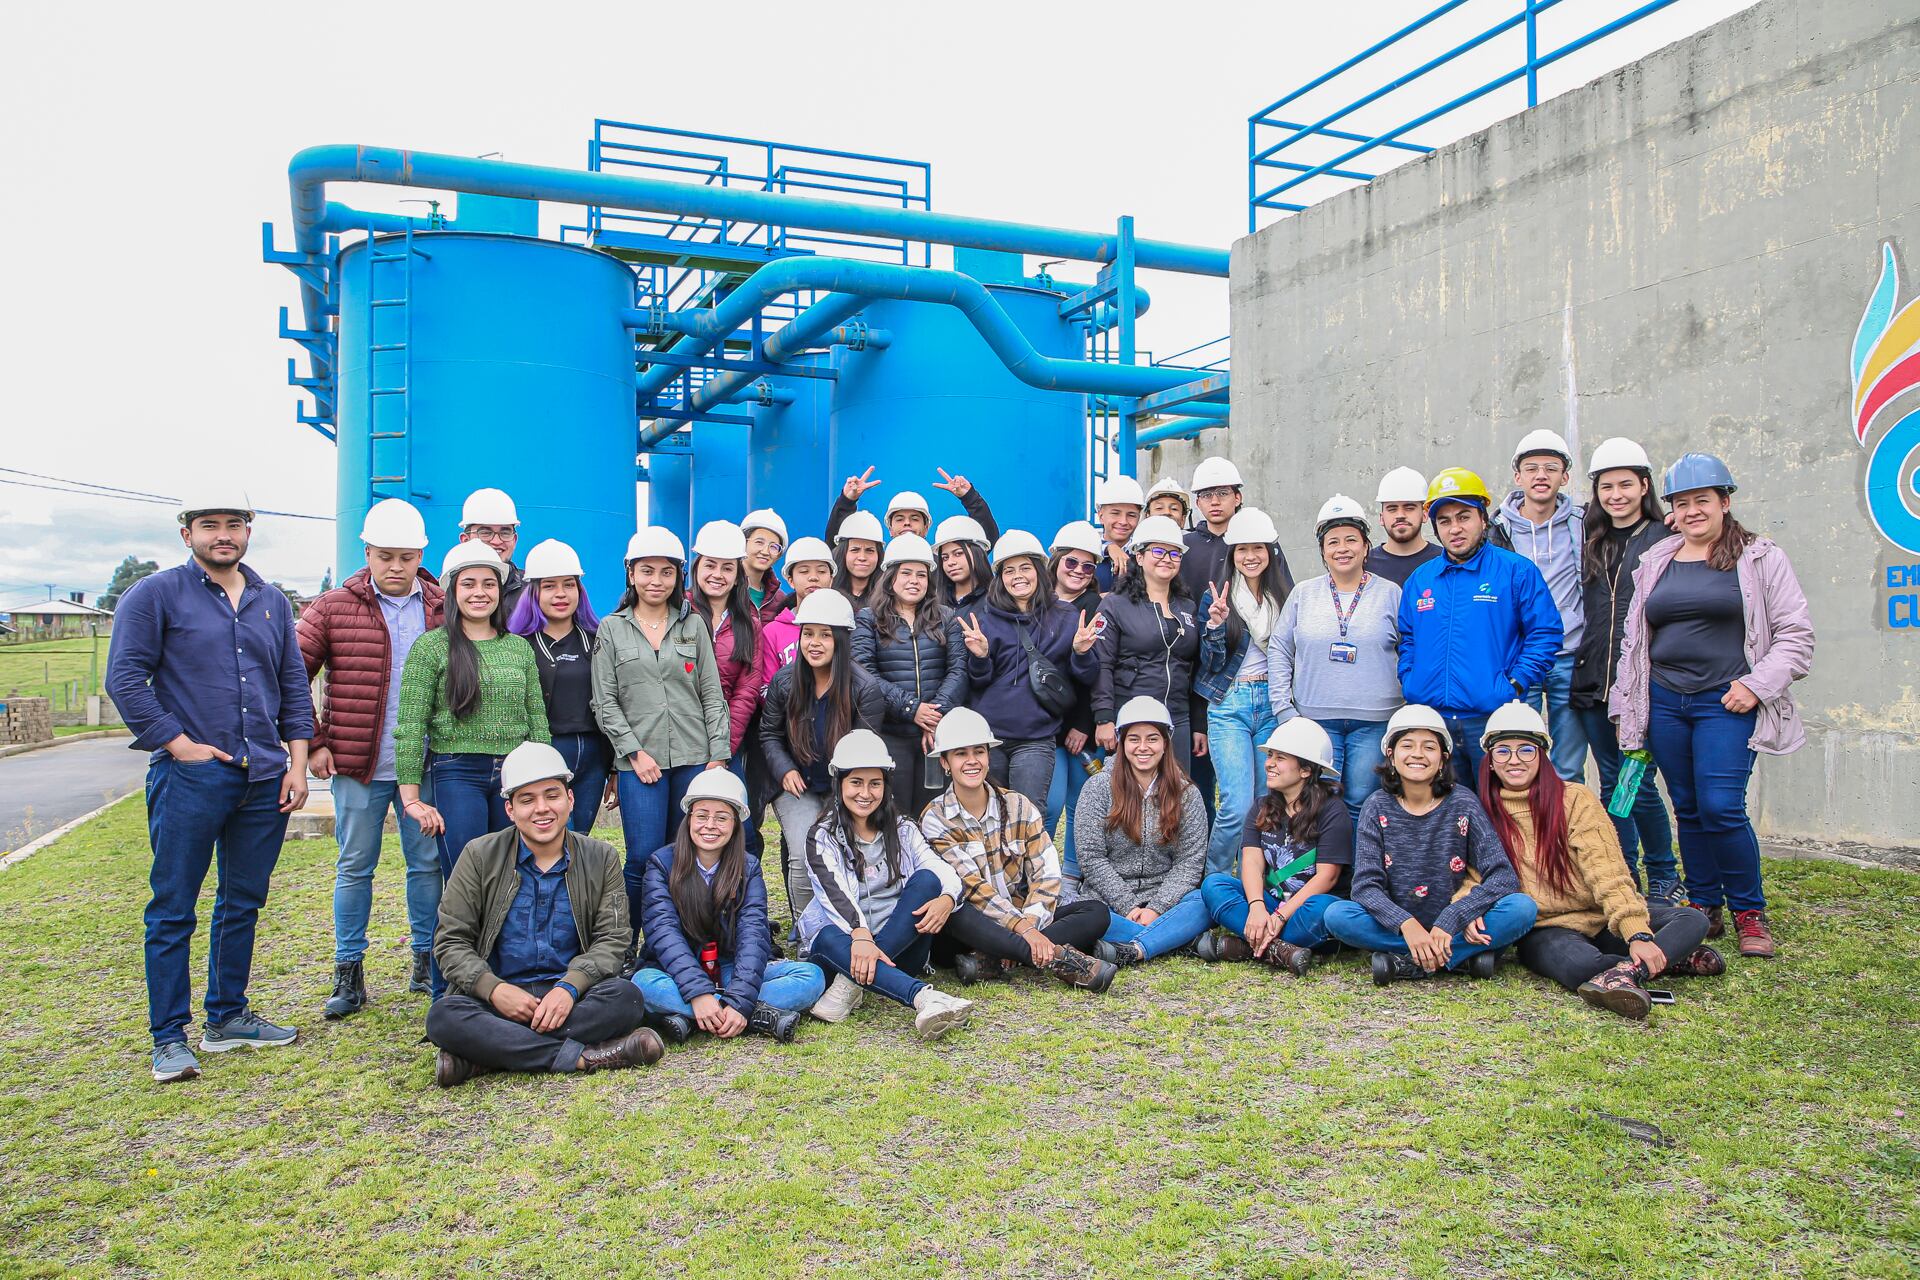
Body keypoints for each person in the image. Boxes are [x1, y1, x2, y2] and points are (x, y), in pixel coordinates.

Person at [106, 491, 315, 1083]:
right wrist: (179, 744)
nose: (223, 534)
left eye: (233, 524)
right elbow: (125, 677)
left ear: (248, 531)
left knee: (242, 901)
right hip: (191, 776)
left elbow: (293, 687)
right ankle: (169, 1038)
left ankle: (226, 1017)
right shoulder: (155, 595)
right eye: (209, 525)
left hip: (264, 777)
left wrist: (297, 764)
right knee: (174, 907)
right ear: (187, 533)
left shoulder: (271, 602)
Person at [1611, 453, 1815, 959]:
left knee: (1721, 806)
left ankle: (1749, 911)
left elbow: (1795, 635)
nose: (1692, 511)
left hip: (1726, 702)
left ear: (1725, 502)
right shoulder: (1656, 561)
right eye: (1681, 503)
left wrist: (1757, 686)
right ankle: (1704, 905)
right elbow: (1634, 640)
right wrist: (1629, 702)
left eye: (1702, 500)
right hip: (1664, 701)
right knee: (1688, 806)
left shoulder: (1760, 558)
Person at [425, 743, 662, 1087]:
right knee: (443, 1017)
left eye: (552, 795)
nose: (542, 808)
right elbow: (450, 942)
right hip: (500, 995)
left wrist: (569, 988)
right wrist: (494, 990)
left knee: (627, 998)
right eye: (527, 800)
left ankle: (486, 1056)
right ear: (510, 809)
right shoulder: (479, 855)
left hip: (574, 995)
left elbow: (612, 940)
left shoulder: (601, 856)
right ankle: (583, 1058)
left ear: (570, 799)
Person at [296, 498, 445, 1020]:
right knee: (355, 865)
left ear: (421, 554)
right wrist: (315, 740)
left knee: (426, 865)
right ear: (367, 553)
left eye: (406, 557)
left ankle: (426, 961)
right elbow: (290, 673)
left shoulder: (441, 607)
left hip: (425, 765)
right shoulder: (333, 607)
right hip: (358, 763)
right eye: (385, 556)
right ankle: (348, 970)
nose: (396, 567)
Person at [1476, 703, 1720, 1019]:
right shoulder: (1480, 810)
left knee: (1693, 919)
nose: (1514, 760)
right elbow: (1473, 876)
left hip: (1601, 917)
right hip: (1547, 929)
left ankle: (1632, 968)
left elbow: (1607, 870)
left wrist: (1638, 934)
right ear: (1490, 761)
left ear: (1542, 755)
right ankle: (1663, 959)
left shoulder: (1575, 798)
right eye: (1503, 751)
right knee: (1580, 966)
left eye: (1526, 749)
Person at [397, 540, 549, 1001]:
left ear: (500, 591)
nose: (479, 592)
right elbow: (411, 725)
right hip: (457, 773)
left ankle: (509, 982)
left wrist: (546, 784)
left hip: (516, 778)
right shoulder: (431, 648)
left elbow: (537, 718)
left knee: (516, 877)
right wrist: (410, 797)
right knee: (464, 884)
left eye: (488, 584)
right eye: (469, 584)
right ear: (452, 591)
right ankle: (451, 994)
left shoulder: (518, 649)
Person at [1323, 705, 1538, 984]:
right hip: (1397, 925)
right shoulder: (1375, 806)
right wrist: (1407, 924)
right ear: (1391, 755)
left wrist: (1454, 918)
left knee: (1522, 908)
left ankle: (1408, 962)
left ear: (1443, 759)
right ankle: (1459, 958)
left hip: (1455, 923)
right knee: (1337, 915)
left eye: (1429, 747)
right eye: (1407, 745)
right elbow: (1365, 886)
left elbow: (1502, 876)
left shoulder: (1463, 802)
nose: (1417, 754)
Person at [589, 527, 730, 929]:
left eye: (666, 572)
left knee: (684, 854)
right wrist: (634, 753)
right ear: (631, 574)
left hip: (694, 758)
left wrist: (718, 755)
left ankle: (678, 939)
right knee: (643, 856)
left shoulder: (693, 626)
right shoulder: (612, 628)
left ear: (678, 577)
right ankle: (631, 939)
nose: (656, 581)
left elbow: (711, 693)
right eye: (647, 571)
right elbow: (604, 701)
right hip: (640, 764)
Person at [919, 708, 1117, 991]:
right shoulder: (935, 818)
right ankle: (1058, 957)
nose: (972, 761)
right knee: (956, 913)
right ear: (945, 763)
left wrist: (1030, 925)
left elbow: (1046, 870)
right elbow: (972, 888)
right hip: (972, 923)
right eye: (961, 754)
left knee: (1096, 912)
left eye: (979, 752)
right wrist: (1023, 930)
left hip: (1019, 914)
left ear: (989, 757)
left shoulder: (1017, 805)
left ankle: (993, 959)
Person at [798, 731, 977, 1038]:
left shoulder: (903, 829)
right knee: (825, 936)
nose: (865, 793)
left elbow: (943, 870)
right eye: (856, 782)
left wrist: (948, 898)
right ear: (839, 784)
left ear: (886, 786)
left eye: (875, 783)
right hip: (844, 949)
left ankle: (850, 985)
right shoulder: (821, 836)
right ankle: (925, 998)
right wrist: (861, 935)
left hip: (899, 950)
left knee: (928, 880)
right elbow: (834, 894)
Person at [630, 769, 827, 1044]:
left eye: (721, 817)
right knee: (642, 984)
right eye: (702, 816)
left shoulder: (749, 867)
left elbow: (753, 933)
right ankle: (753, 1014)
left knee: (811, 976)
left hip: (730, 967)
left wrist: (740, 999)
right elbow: (663, 933)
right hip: (674, 970)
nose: (710, 825)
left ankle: (694, 1017)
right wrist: (699, 993)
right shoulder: (661, 864)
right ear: (689, 819)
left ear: (735, 823)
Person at [1396, 468, 1561, 785]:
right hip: (1433, 720)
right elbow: (1408, 639)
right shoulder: (1421, 579)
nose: (1455, 528)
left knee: (1497, 805)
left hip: (1492, 717)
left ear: (1483, 519)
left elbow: (1545, 634)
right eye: (1445, 521)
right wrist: (1410, 679)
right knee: (1445, 808)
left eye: (1464, 517)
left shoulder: (1516, 571)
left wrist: (1514, 684)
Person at [1571, 438, 1679, 901]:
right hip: (1592, 681)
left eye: (1625, 485)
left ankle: (1664, 875)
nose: (1616, 495)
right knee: (1612, 781)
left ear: (1644, 486)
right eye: (1606, 487)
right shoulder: (1590, 539)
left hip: (1639, 685)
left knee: (1637, 783)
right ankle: (1624, 874)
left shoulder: (1666, 538)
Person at [758, 588, 891, 924]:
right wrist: (784, 769)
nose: (814, 643)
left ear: (841, 641)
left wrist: (843, 793)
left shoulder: (864, 688)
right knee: (804, 853)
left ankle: (847, 924)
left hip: (843, 786)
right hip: (797, 784)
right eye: (808, 634)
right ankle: (806, 932)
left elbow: (864, 751)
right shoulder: (784, 681)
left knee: (844, 852)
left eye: (825, 635)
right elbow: (769, 734)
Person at [1269, 496, 1404, 819]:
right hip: (1314, 719)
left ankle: (1357, 857)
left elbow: (1411, 650)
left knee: (1360, 803)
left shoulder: (1391, 593)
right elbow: (1280, 648)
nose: (1342, 548)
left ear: (1366, 546)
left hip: (1374, 721)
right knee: (1317, 804)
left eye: (1351, 540)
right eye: (1333, 542)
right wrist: (1284, 709)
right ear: (1322, 550)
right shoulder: (1303, 594)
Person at [955, 530, 1101, 809]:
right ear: (1000, 577)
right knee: (990, 815)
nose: (1017, 576)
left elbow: (1086, 677)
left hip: (1036, 738)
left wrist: (1082, 653)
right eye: (1009, 570)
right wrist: (981, 657)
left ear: (1039, 571)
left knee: (1028, 814)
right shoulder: (984, 618)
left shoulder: (1066, 617)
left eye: (1025, 568)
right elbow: (978, 682)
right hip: (989, 737)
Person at [1197, 718, 1351, 974]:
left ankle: (1249, 945)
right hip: (1271, 902)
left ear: (1305, 770)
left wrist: (1280, 916)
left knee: (1325, 909)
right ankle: (1279, 950)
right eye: (1270, 755)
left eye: (1280, 758)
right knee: (1214, 885)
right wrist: (1257, 906)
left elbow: (1328, 877)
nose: (1269, 763)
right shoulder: (1262, 806)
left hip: (1305, 909)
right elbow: (1251, 861)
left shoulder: (1332, 810)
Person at [1075, 697, 1212, 966]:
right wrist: (1128, 905)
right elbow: (1091, 857)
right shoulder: (1097, 788)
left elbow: (1190, 862)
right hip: (1109, 901)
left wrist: (1157, 909)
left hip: (1167, 900)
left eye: (1152, 739)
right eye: (1134, 739)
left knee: (1203, 903)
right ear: (1122, 742)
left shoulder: (1187, 793)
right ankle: (1178, 939)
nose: (1143, 747)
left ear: (1166, 743)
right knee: (1087, 917)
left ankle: (1133, 947)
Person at [1196, 508, 1293, 874]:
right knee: (1236, 805)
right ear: (1232, 554)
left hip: (1273, 702)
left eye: (1258, 548)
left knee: (1267, 802)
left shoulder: (1285, 596)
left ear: (1270, 552)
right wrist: (1216, 627)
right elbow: (1211, 664)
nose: (1250, 556)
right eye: (1242, 549)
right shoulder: (1217, 597)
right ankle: (1216, 879)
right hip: (1230, 703)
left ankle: (1258, 881)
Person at [1493, 430, 1589, 781]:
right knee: (1518, 758)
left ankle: (1566, 817)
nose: (1541, 476)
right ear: (1518, 477)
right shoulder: (1496, 530)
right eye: (1531, 468)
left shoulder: (1585, 524)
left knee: (1568, 765)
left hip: (1570, 655)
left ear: (1565, 477)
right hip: (1519, 659)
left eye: (1551, 468)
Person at [852, 533, 967, 816]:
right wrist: (911, 708)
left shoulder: (946, 617)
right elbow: (864, 672)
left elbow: (958, 669)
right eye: (906, 573)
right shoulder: (869, 618)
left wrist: (932, 716)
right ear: (891, 577)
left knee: (933, 814)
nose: (914, 580)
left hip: (935, 735)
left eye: (921, 574)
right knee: (895, 813)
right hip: (891, 732)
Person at [509, 539, 613, 836]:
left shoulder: (598, 639)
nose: (561, 594)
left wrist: (614, 767)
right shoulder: (519, 644)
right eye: (549, 586)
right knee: (553, 838)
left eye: (569, 585)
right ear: (533, 592)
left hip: (593, 755)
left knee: (579, 839)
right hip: (547, 749)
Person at [1091, 515, 1206, 772]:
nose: (1167, 558)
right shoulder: (1115, 604)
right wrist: (1104, 718)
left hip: (1177, 716)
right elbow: (1102, 664)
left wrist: (1198, 723)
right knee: (1128, 792)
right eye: (1158, 551)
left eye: (1174, 553)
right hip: (1131, 715)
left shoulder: (1187, 606)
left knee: (1177, 791)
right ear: (1140, 556)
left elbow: (1195, 667)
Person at [1043, 520, 1107, 893]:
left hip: (1081, 727)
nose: (1079, 571)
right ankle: (1041, 872)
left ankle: (1072, 874)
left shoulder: (1095, 607)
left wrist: (1084, 723)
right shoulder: (1035, 602)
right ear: (1055, 560)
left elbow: (1097, 672)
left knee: (1081, 804)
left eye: (1088, 566)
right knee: (1049, 804)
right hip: (1045, 724)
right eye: (1072, 562)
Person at [688, 521, 768, 777]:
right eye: (710, 565)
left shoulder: (749, 625)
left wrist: (722, 750)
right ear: (697, 568)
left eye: (727, 568)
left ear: (737, 577)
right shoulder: (677, 612)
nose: (717, 575)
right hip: (679, 741)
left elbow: (747, 691)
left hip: (725, 744)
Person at [829, 466, 1001, 544]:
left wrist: (969, 497)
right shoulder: (876, 566)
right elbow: (835, 546)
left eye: (914, 518)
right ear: (890, 529)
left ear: (926, 528)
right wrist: (847, 501)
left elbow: (986, 538)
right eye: (899, 519)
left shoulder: (943, 565)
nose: (907, 523)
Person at [761, 536, 838, 671]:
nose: (813, 577)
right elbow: (768, 682)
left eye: (821, 571)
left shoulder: (843, 625)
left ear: (831, 579)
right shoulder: (772, 632)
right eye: (804, 571)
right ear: (790, 581)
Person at [1365, 466, 1441, 587]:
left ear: (1425, 515)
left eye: (1409, 508)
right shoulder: (1364, 565)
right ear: (1381, 518)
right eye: (1392, 509)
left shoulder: (1443, 561)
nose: (1400, 515)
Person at [457, 487, 527, 614]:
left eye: (505, 532)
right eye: (485, 532)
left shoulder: (533, 591)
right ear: (465, 540)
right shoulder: (442, 592)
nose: (496, 541)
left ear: (514, 539)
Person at [1092, 474, 1145, 591]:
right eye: (1115, 513)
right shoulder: (1087, 551)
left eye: (1131, 515)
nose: (1123, 521)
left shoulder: (1144, 555)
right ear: (1101, 516)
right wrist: (1107, 546)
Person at [933, 515, 993, 611]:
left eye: (958, 553)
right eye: (945, 558)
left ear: (978, 553)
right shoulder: (933, 605)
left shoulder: (997, 601)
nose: (950, 562)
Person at [740, 509, 790, 625]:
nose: (765, 551)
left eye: (774, 547)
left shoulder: (780, 600)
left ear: (779, 555)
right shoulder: (727, 589)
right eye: (759, 542)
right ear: (743, 543)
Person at [830, 509, 886, 612]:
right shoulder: (828, 593)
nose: (862, 557)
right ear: (842, 553)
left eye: (869, 550)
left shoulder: (888, 598)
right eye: (855, 550)